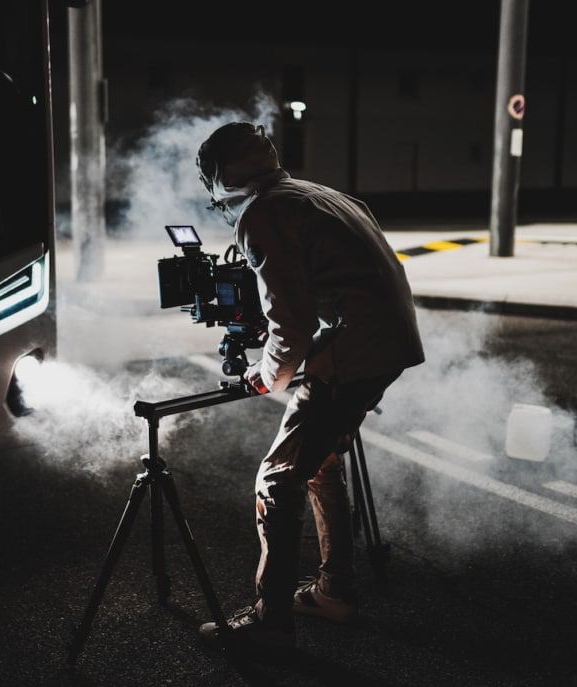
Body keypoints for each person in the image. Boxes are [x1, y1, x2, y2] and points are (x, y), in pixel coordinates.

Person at [194, 121, 425, 658]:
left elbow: (289, 325)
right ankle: (334, 592)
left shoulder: (262, 213)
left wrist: (267, 372)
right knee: (318, 463)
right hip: (386, 344)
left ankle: (271, 623)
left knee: (276, 480)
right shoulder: (321, 194)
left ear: (221, 175)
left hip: (354, 350)